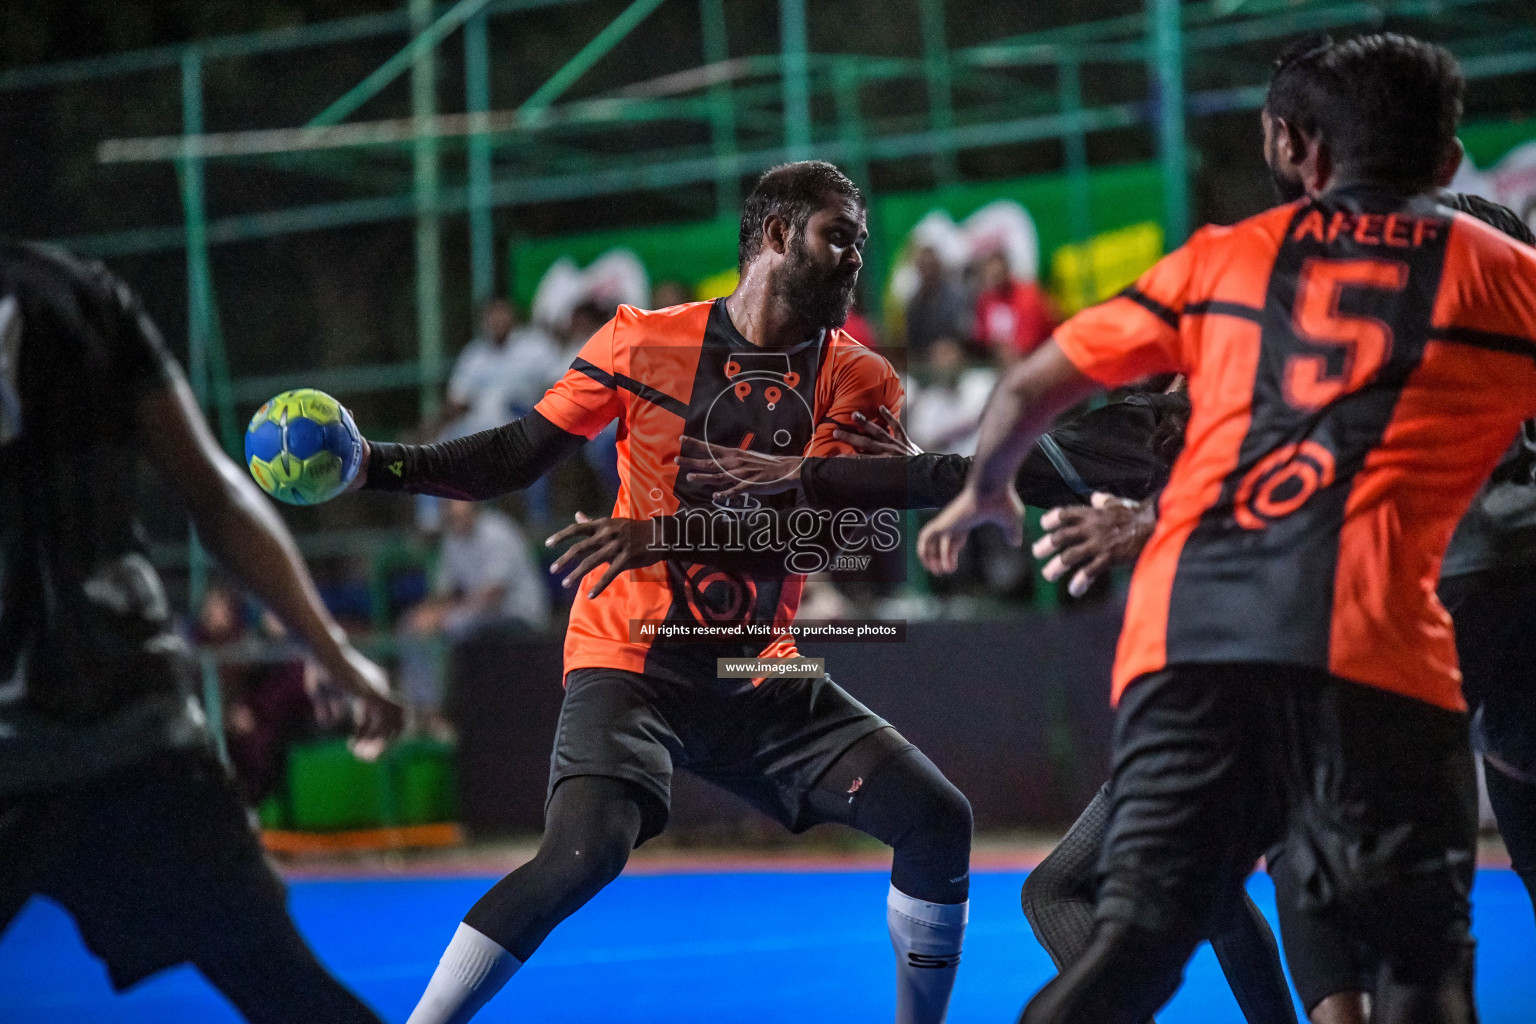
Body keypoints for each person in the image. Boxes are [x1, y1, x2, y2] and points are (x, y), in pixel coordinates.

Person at [919, 32, 1536, 1024]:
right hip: (1377, 646)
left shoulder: (1229, 258)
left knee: (1124, 942)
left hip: (1194, 642)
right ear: (1450, 161)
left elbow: (1038, 381)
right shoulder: (1501, 272)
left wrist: (986, 485)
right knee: (1422, 965)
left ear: (1295, 147)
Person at [350, 161, 975, 1024]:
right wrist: (378, 464)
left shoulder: (859, 377)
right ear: (781, 235)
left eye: (861, 243)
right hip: (629, 658)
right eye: (840, 236)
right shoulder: (642, 343)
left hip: (764, 671)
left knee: (938, 822)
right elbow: (516, 453)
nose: (856, 257)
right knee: (583, 852)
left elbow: (814, 522)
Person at [0, 242, 403, 1024]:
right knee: (288, 993)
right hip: (135, 729)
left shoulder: (82, 297)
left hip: (99, 738)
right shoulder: (80, 293)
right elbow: (215, 495)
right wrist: (335, 652)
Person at [398, 500, 550, 738]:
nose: (458, 520)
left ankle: (455, 716)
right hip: (479, 615)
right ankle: (426, 714)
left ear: (474, 510)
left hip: (518, 616)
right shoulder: (452, 538)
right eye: (453, 516)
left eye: (462, 513)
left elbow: (493, 594)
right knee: (413, 625)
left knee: (455, 628)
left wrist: (444, 617)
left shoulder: (497, 531)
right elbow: (446, 592)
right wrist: (429, 613)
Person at [972, 250, 1056, 364]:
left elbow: (1028, 342)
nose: (995, 280)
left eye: (998, 274)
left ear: (1007, 270)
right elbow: (981, 338)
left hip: (1036, 357)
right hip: (998, 362)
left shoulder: (1028, 296)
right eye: (991, 276)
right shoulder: (985, 300)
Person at [904, 244, 970, 361]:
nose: (928, 272)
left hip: (956, 358)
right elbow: (913, 344)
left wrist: (949, 347)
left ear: (939, 268)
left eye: (931, 267)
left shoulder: (957, 298)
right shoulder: (914, 304)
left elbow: (965, 334)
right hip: (925, 362)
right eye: (924, 268)